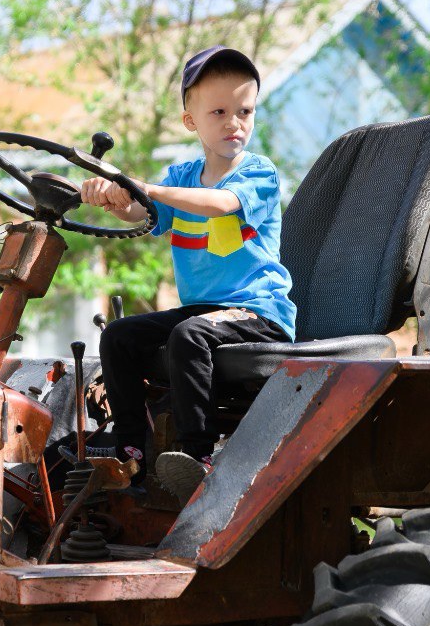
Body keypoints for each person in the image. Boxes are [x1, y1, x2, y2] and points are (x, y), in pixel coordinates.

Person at [80, 46, 297, 503]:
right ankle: (131, 448)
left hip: (258, 310)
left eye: (244, 111)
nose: (233, 122)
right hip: (205, 310)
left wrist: (149, 188)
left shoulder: (258, 173)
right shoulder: (182, 173)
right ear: (191, 121)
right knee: (119, 335)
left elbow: (219, 203)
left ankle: (196, 457)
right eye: (218, 111)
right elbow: (142, 212)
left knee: (188, 336)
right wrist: (111, 195)